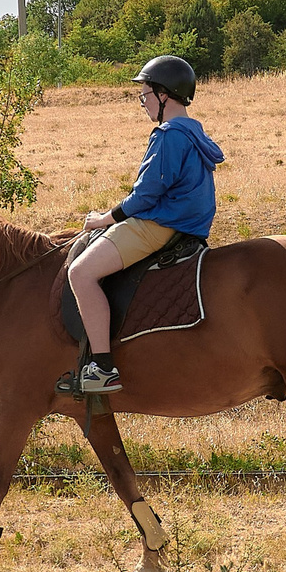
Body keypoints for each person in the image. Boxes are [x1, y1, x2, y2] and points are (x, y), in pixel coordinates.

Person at [65, 53, 224, 394]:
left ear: (164, 94)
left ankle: (102, 368)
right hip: (189, 228)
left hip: (158, 226)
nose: (143, 102)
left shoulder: (168, 135)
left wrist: (102, 219)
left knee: (80, 273)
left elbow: (145, 196)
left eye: (145, 94)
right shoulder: (194, 132)